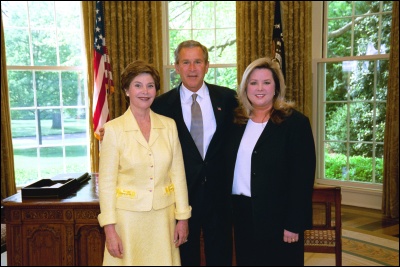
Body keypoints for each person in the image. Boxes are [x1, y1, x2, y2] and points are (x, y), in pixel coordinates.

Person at [99, 40, 238, 266]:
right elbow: (108, 181)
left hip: (213, 199)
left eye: (197, 62)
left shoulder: (229, 99)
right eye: (186, 62)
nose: (192, 68)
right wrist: (110, 228)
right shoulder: (160, 105)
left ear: (207, 65)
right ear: (176, 66)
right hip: (147, 212)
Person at [97, 60, 192, 266]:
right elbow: (106, 184)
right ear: (126, 90)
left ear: (156, 90)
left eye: (150, 86)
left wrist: (183, 217)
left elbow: (178, 174)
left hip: (163, 219)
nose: (145, 91)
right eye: (137, 85)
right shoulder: (113, 130)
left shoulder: (169, 126)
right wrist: (109, 228)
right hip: (127, 221)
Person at [224, 57, 316, 266]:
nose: (260, 88)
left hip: (279, 217)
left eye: (266, 82)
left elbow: (302, 178)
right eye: (253, 82)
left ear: (276, 87)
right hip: (243, 215)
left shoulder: (295, 123)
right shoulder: (236, 122)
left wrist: (294, 223)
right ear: (245, 87)